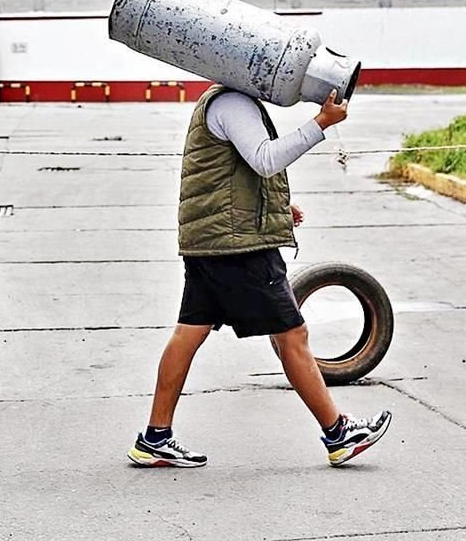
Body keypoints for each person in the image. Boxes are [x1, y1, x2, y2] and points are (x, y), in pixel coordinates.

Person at [127, 85, 391, 468]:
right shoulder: (232, 103)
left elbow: (232, 174)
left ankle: (155, 437)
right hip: (238, 247)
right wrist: (321, 123)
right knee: (292, 335)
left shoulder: (221, 101)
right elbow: (265, 160)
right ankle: (338, 435)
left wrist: (280, 207)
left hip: (212, 239)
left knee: (189, 333)